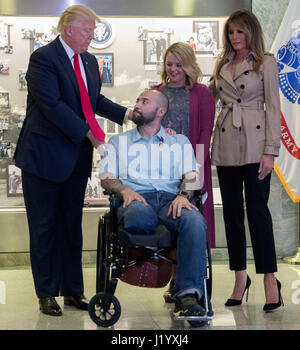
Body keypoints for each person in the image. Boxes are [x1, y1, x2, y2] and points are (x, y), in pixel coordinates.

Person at [14, 5, 132, 317]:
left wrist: (127, 114)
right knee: (44, 227)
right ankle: (47, 293)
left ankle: (73, 291)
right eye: (88, 30)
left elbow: (93, 101)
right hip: (43, 158)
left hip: (75, 158)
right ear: (68, 29)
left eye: (94, 30)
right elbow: (52, 105)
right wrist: (91, 135)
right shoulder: (43, 59)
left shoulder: (91, 61)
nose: (93, 35)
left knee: (71, 225)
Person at [100, 89, 208, 319]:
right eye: (137, 99)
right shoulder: (119, 141)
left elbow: (191, 176)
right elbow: (106, 177)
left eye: (144, 101)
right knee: (139, 215)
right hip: (135, 198)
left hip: (170, 202)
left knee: (195, 220)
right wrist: (123, 189)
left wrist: (183, 195)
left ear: (160, 111)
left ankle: (187, 296)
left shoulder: (178, 141)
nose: (137, 105)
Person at [209, 10, 282, 311]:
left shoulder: (266, 62)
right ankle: (240, 277)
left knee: (257, 211)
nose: (235, 38)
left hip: (255, 143)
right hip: (226, 140)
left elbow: (274, 108)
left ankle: (269, 278)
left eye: (240, 32)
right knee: (231, 214)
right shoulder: (222, 63)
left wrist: (271, 150)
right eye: (230, 32)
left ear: (251, 32)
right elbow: (208, 96)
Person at [152, 42, 215, 302]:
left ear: (189, 66)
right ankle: (175, 279)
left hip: (192, 167)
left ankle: (187, 282)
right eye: (169, 64)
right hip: (162, 170)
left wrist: (196, 171)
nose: (174, 69)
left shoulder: (202, 93)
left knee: (191, 222)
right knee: (171, 224)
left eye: (179, 64)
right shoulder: (156, 92)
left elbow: (204, 133)